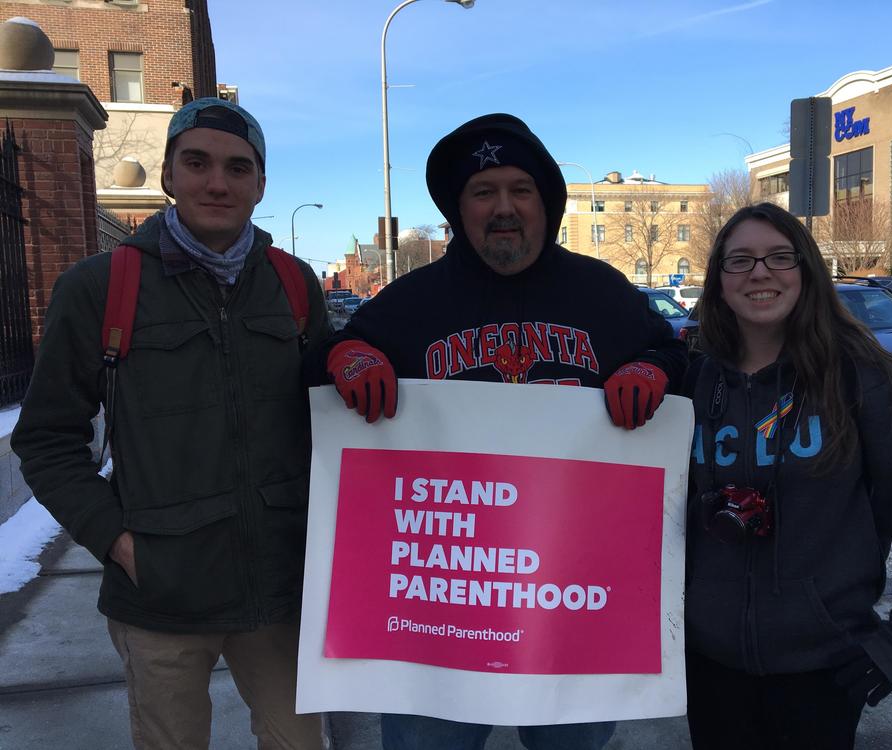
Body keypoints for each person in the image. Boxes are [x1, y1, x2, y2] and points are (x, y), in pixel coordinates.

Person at [306, 113, 688, 750]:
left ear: (548, 202)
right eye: (484, 192)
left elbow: (678, 359)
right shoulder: (412, 301)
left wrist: (655, 366)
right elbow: (323, 361)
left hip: (572, 592)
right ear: (459, 210)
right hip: (442, 606)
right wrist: (343, 358)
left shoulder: (602, 293)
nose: (503, 207)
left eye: (521, 189)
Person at [12, 98, 328, 750]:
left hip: (279, 593)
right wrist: (116, 540)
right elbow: (45, 438)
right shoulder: (101, 286)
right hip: (159, 596)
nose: (218, 182)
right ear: (168, 175)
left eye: (238, 168)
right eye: (198, 163)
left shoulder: (295, 285)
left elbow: (327, 420)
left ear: (261, 184)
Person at [682, 202, 892, 749]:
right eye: (740, 260)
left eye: (780, 257)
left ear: (807, 273)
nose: (759, 272)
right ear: (718, 281)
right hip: (708, 667)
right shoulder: (694, 385)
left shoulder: (862, 378)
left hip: (824, 671)